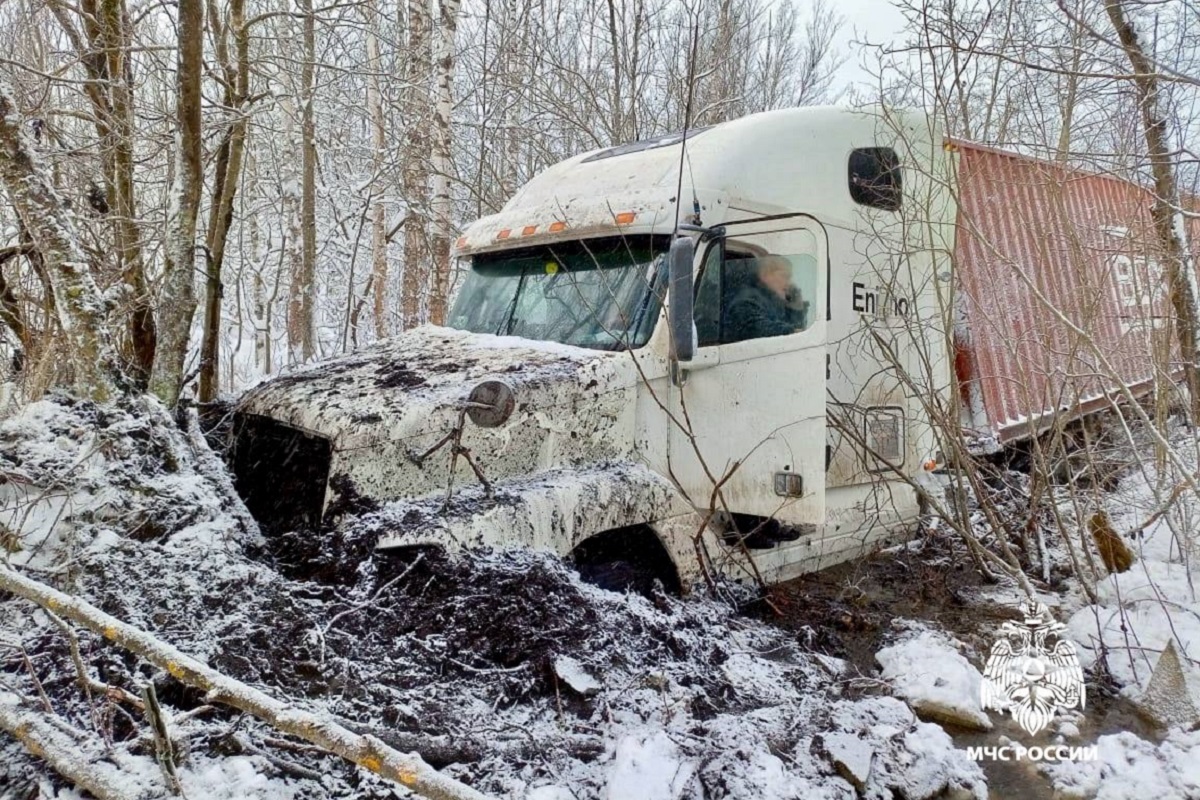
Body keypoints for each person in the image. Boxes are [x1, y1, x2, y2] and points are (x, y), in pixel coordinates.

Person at [723, 254, 809, 343]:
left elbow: (796, 328)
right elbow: (755, 328)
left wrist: (796, 306)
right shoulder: (747, 299)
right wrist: (790, 331)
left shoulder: (774, 302)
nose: (790, 283)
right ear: (765, 275)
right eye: (784, 276)